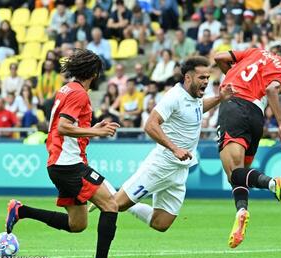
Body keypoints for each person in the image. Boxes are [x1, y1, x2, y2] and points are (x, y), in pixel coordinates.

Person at [5, 49, 126, 258]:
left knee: (77, 224)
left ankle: (21, 211)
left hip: (59, 162)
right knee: (111, 205)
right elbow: (63, 127)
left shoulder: (66, 89)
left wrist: (92, 129)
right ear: (94, 73)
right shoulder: (79, 93)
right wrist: (95, 132)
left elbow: (66, 126)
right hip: (68, 164)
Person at [91, 57, 232, 232]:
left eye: (207, 78)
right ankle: (102, 194)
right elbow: (150, 125)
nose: (206, 81)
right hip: (162, 165)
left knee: (161, 223)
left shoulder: (195, 97)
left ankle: (113, 196)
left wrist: (219, 98)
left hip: (180, 169)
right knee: (115, 205)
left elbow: (197, 107)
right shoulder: (174, 96)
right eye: (201, 78)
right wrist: (174, 149)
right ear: (188, 78)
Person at [213, 44, 281, 248]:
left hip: (234, 106)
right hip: (256, 116)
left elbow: (219, 57)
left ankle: (273, 184)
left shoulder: (255, 52)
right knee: (241, 172)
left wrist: (232, 74)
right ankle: (241, 211)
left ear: (277, 51)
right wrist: (280, 123)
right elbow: (272, 88)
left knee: (233, 173)